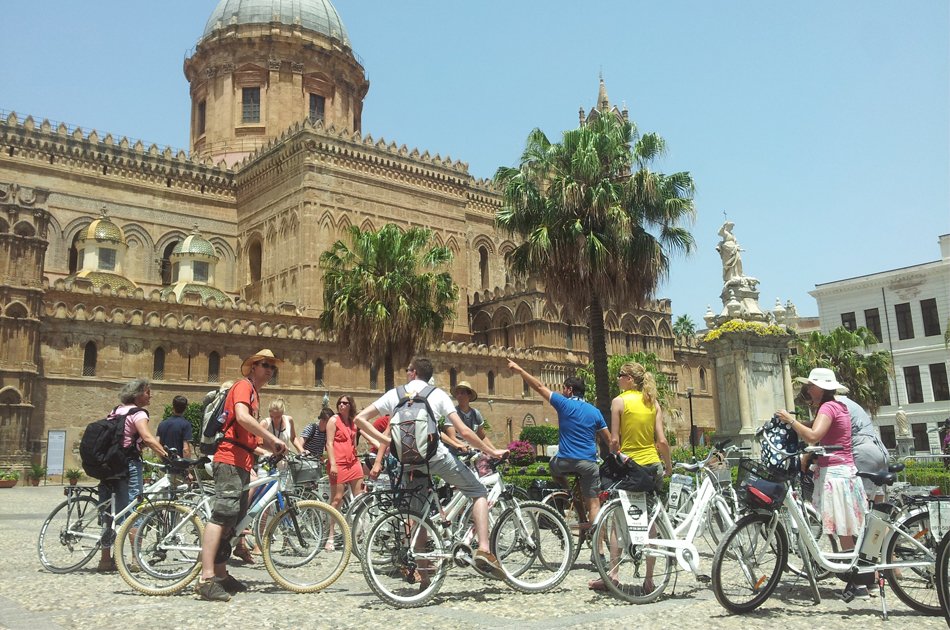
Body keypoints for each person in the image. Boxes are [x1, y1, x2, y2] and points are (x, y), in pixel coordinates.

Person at [355, 357, 509, 581]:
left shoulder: (395, 394)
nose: (406, 372)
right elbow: (464, 432)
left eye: (408, 369)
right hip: (436, 458)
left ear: (414, 372)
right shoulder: (437, 395)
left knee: (419, 517)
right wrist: (491, 451)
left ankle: (424, 579)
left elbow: (360, 419)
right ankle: (484, 549)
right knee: (478, 492)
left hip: (408, 461)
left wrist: (386, 442)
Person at [195, 349, 288, 602]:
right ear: (253, 367)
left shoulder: (255, 395)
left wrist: (276, 447)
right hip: (229, 460)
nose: (269, 370)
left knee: (232, 521)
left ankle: (222, 574)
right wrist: (272, 438)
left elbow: (252, 436)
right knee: (222, 515)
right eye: (265, 365)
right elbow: (242, 418)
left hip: (243, 462)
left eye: (272, 367)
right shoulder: (243, 387)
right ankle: (205, 578)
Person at [507, 359, 610, 578]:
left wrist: (519, 369)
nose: (562, 390)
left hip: (564, 462)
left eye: (564, 388)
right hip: (589, 464)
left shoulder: (564, 403)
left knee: (553, 467)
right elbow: (609, 440)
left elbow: (539, 386)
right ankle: (599, 552)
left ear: (570, 390)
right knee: (594, 504)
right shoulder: (595, 411)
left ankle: (568, 492)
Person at [776, 367, 868, 601]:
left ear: (820, 388)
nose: (808, 389)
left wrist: (791, 420)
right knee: (847, 528)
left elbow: (814, 435)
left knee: (843, 528)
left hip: (836, 472)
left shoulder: (827, 407)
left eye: (811, 385)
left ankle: (856, 583)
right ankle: (860, 578)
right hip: (844, 470)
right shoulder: (838, 406)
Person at [595, 362, 672, 592]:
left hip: (630, 467)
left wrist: (613, 458)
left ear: (629, 378)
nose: (617, 379)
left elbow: (615, 441)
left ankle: (613, 576)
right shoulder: (652, 402)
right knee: (651, 522)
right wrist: (667, 466)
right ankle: (649, 580)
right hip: (652, 466)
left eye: (620, 375)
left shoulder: (619, 402)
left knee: (618, 522)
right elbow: (662, 441)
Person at [97, 378, 168, 572]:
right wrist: (165, 456)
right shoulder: (139, 413)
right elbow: (147, 437)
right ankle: (136, 560)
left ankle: (105, 560)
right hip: (128, 465)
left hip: (108, 465)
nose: (150, 395)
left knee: (109, 511)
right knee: (135, 509)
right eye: (147, 392)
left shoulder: (115, 411)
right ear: (137, 395)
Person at [325, 394, 364, 550]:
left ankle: (359, 533)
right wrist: (333, 464)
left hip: (353, 463)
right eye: (340, 403)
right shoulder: (333, 420)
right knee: (337, 499)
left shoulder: (353, 422)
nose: (341, 405)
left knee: (359, 498)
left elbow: (353, 442)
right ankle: (331, 536)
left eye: (345, 403)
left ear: (350, 405)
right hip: (338, 463)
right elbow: (329, 443)